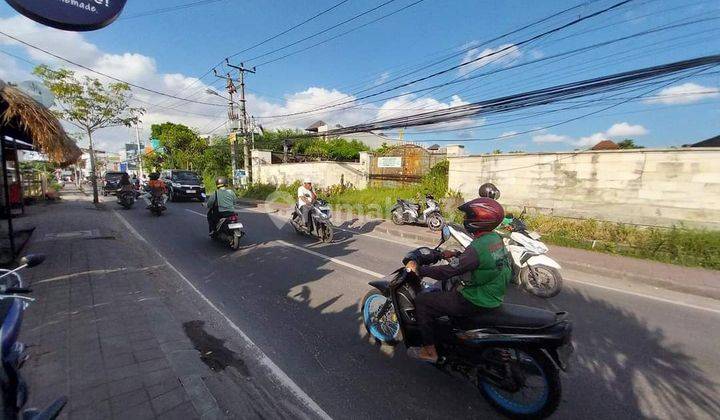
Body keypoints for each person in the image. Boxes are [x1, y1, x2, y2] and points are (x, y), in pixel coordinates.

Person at [406, 197, 511, 362]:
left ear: (479, 220)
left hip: (476, 299)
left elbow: (447, 272)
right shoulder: (494, 239)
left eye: (468, 215)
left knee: (422, 301)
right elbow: (478, 263)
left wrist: (420, 270)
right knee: (449, 287)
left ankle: (430, 351)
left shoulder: (477, 247)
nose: (465, 219)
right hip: (493, 293)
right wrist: (455, 255)